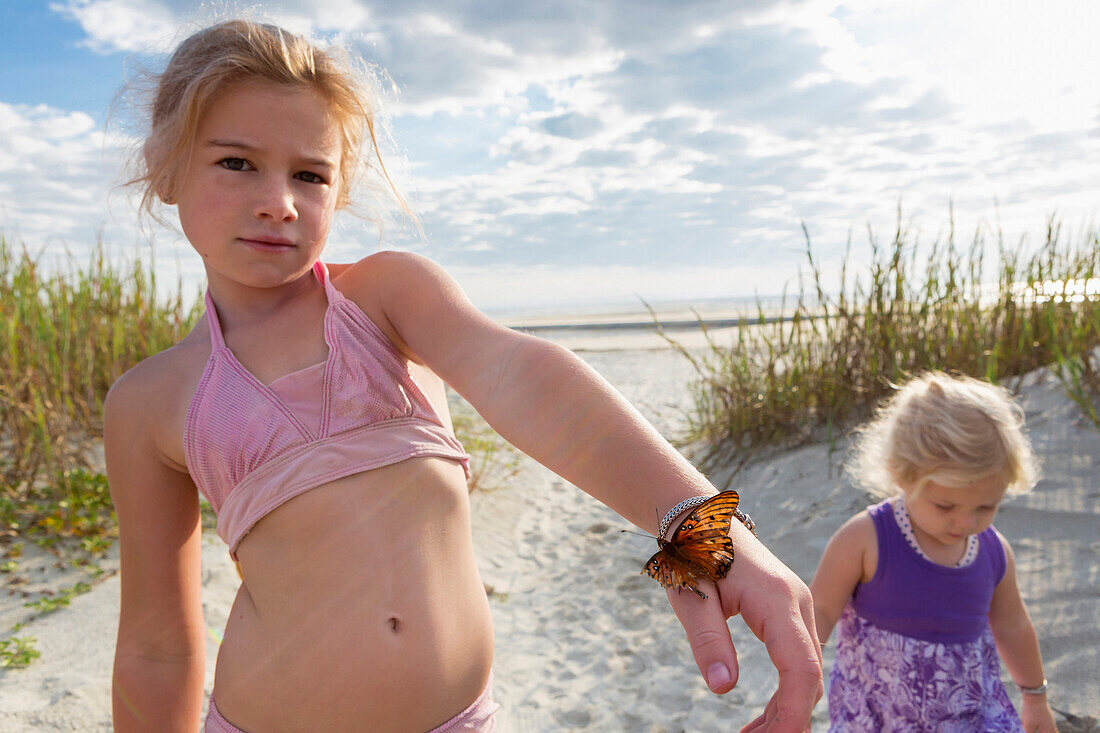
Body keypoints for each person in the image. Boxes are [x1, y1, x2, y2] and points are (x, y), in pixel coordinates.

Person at [104, 19, 822, 733]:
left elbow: (525, 374)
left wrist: (701, 528)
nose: (279, 201)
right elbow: (155, 646)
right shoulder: (153, 400)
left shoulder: (383, 301)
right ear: (165, 168)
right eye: (236, 162)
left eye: (310, 174)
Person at [809, 372, 1058, 732]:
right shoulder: (866, 538)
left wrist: (1036, 699)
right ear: (901, 474)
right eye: (945, 506)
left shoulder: (992, 552)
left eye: (986, 507)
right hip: (881, 716)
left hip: (969, 717)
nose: (966, 522)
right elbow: (820, 609)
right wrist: (801, 680)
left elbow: (1012, 624)